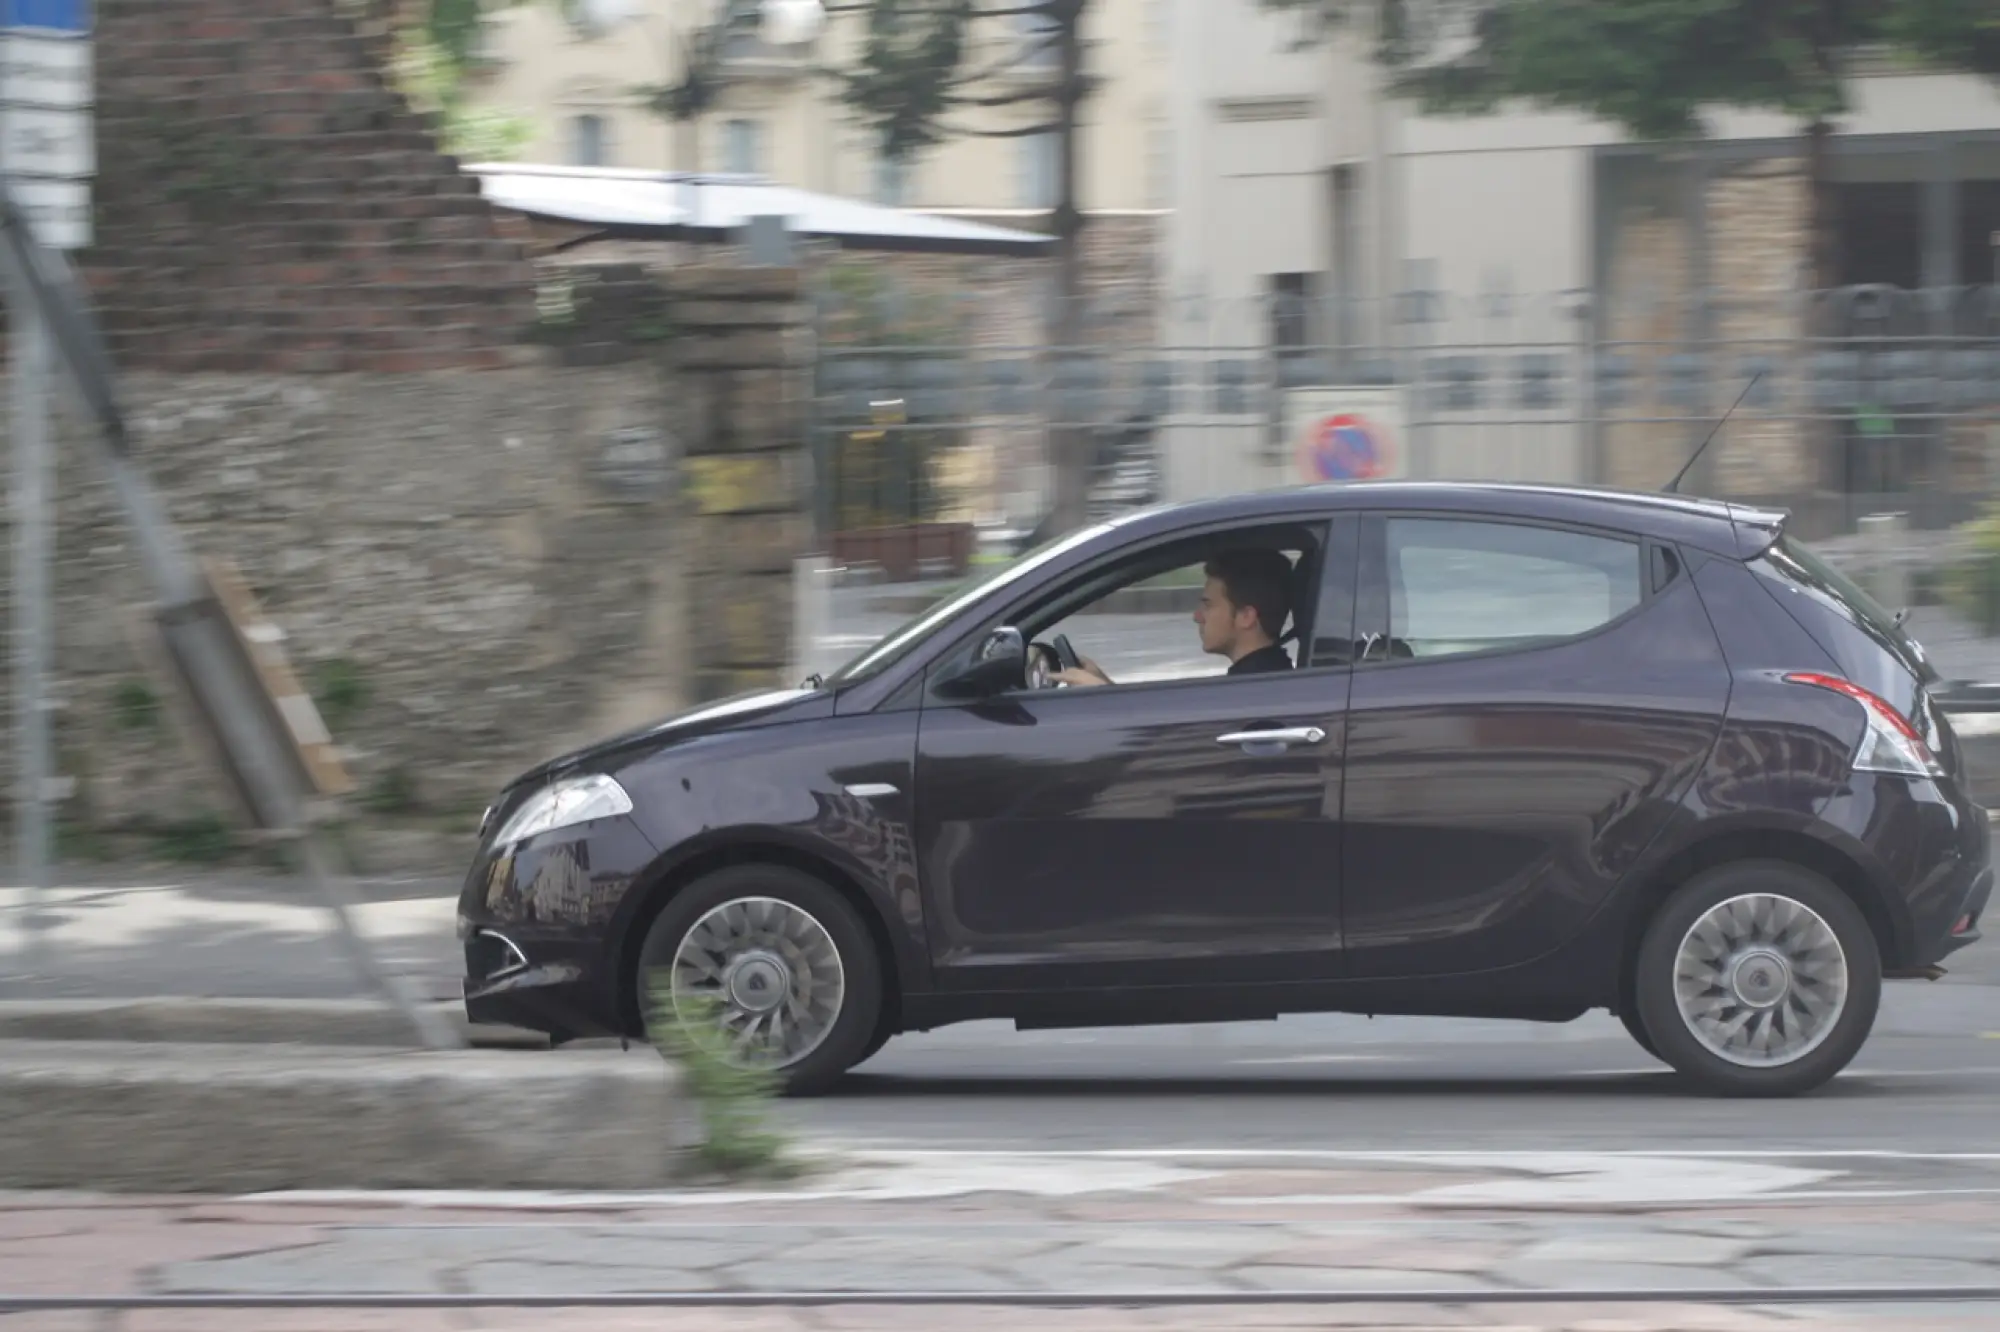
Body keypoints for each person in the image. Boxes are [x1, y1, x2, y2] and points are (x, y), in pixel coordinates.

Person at [1055, 547, 1294, 687]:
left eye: (1208, 606)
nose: (1197, 617)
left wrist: (1102, 694)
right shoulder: (1266, 679)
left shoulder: (1252, 688)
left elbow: (1170, 737)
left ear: (1246, 616)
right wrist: (1105, 688)